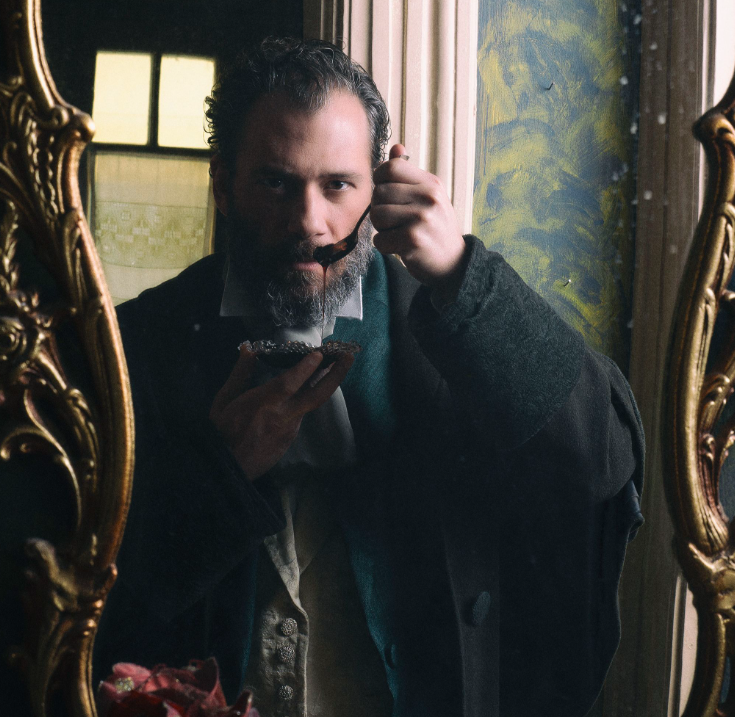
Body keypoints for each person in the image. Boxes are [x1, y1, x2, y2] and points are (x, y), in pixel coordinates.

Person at [101, 36, 644, 717]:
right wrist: (221, 472)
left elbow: (601, 461)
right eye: (275, 182)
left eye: (337, 185)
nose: (308, 222)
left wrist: (463, 276)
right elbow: (89, 595)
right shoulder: (136, 340)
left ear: (379, 187)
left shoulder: (450, 316)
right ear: (222, 183)